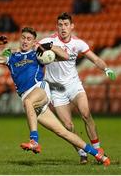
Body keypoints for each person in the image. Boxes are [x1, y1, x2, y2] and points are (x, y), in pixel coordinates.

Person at [0, 26, 110, 166]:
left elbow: (65, 56)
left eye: (29, 39)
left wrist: (48, 47)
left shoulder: (37, 54)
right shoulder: (12, 57)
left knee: (27, 102)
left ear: (34, 42)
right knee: (63, 132)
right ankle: (98, 155)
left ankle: (34, 140)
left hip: (40, 89)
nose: (25, 41)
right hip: (33, 102)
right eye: (23, 38)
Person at [38, 12, 116, 164]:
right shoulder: (48, 41)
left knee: (86, 114)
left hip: (74, 85)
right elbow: (32, 51)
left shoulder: (78, 43)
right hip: (56, 89)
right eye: (60, 25)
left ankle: (98, 148)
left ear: (72, 26)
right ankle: (82, 152)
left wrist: (106, 69)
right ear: (57, 26)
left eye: (66, 24)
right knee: (68, 126)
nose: (63, 28)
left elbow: (95, 59)